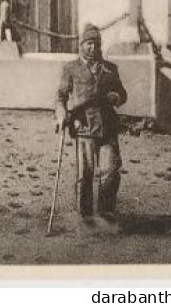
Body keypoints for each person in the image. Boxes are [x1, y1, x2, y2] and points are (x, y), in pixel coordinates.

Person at [55, 22, 128, 233]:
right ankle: (84, 215)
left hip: (107, 127)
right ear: (81, 45)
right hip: (84, 126)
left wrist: (116, 97)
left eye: (96, 44)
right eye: (88, 43)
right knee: (85, 173)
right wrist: (61, 115)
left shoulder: (110, 69)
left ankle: (106, 212)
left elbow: (122, 93)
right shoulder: (71, 69)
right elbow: (61, 96)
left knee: (111, 171)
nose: (92, 48)